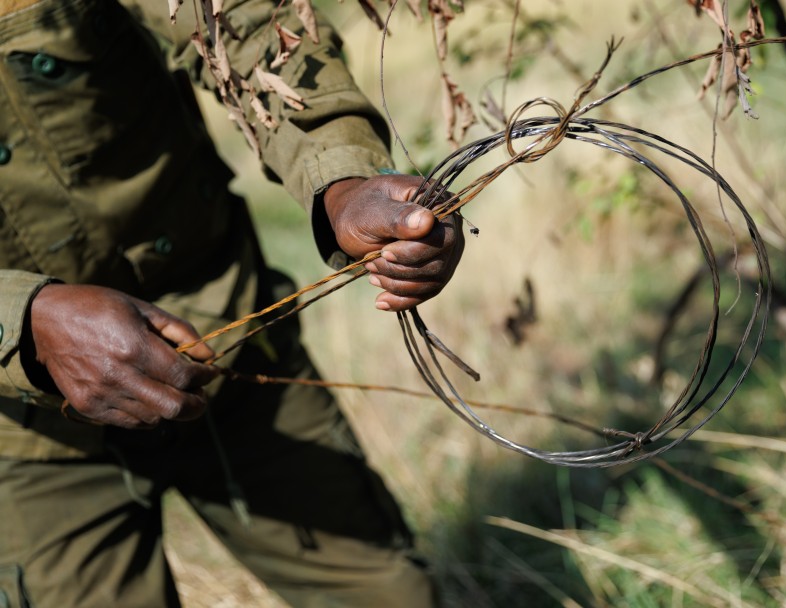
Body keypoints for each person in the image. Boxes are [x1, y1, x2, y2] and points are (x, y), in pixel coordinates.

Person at [0, 0, 462, 605]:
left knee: (392, 595)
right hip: (27, 436)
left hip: (228, 347)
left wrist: (344, 183)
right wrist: (26, 319)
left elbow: (245, 28)